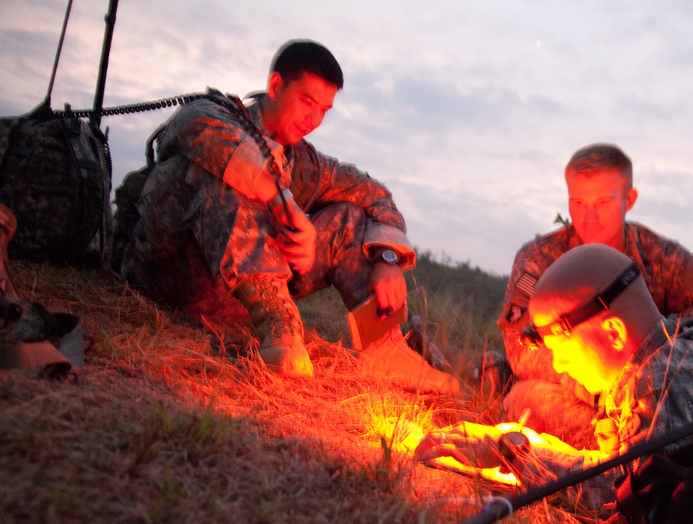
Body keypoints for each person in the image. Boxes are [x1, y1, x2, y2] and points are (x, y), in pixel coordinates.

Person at [119, 39, 458, 393]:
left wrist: (388, 257)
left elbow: (376, 195)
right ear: (276, 86)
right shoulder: (213, 115)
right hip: (169, 277)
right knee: (228, 174)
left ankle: (383, 348)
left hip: (229, 301)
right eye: (306, 102)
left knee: (349, 218)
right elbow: (203, 131)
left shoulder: (306, 164)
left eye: (324, 110)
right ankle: (280, 328)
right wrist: (285, 204)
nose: (313, 119)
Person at [427, 243, 693, 506]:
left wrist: (509, 451)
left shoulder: (668, 378)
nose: (559, 364)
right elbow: (615, 461)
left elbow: (621, 491)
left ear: (614, 333)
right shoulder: (673, 345)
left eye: (561, 347)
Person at [495, 143, 693, 447]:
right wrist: (605, 390)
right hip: (586, 392)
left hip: (660, 386)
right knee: (527, 398)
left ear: (629, 200)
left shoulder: (658, 254)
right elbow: (523, 351)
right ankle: (632, 446)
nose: (589, 217)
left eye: (602, 202)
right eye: (577, 203)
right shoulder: (540, 257)